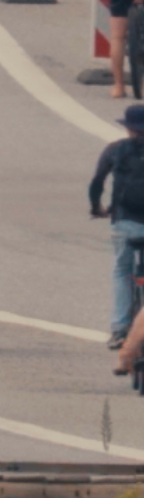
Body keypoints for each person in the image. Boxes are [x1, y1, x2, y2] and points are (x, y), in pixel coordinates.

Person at [88, 100, 144, 348]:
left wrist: (96, 207)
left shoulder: (115, 149)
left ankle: (120, 329)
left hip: (125, 221)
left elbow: (97, 182)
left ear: (128, 127)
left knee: (123, 272)